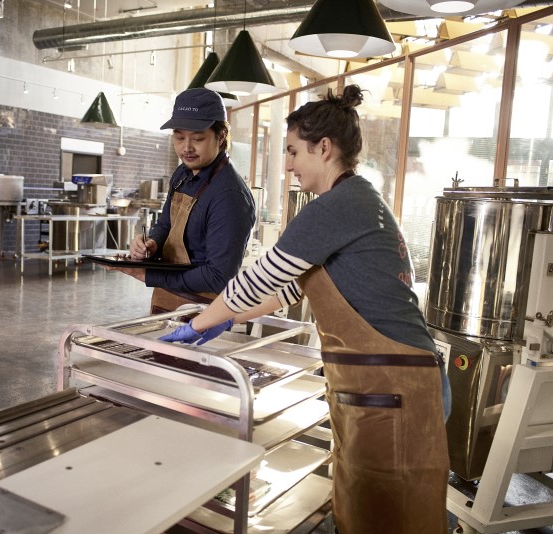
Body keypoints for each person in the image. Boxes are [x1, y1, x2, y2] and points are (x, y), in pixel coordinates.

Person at [160, 85, 451, 534]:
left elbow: (261, 276)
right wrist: (232, 318)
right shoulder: (355, 199)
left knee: (393, 516)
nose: (290, 164)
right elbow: (290, 289)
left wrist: (197, 322)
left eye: (294, 152)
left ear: (325, 148)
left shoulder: (337, 206)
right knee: (368, 508)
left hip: (397, 385)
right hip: (388, 383)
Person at [114, 88, 256, 314]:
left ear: (220, 137)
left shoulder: (230, 196)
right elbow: (165, 225)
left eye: (197, 138)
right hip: (166, 300)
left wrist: (149, 275)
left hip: (203, 312)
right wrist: (152, 244)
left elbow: (218, 277)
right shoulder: (182, 174)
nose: (186, 148)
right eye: (179, 137)